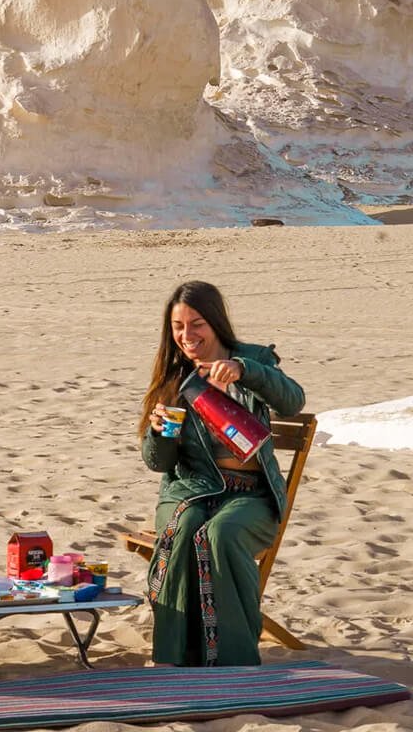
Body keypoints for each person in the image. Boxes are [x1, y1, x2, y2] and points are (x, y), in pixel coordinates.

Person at [137, 280, 305, 668]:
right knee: (185, 529)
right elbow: (158, 463)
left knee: (221, 533)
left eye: (196, 324)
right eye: (178, 326)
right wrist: (159, 431)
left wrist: (245, 372)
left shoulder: (252, 361)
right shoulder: (175, 378)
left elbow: (293, 402)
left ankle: (235, 662)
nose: (186, 335)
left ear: (215, 322)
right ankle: (172, 659)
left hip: (251, 497)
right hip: (191, 492)